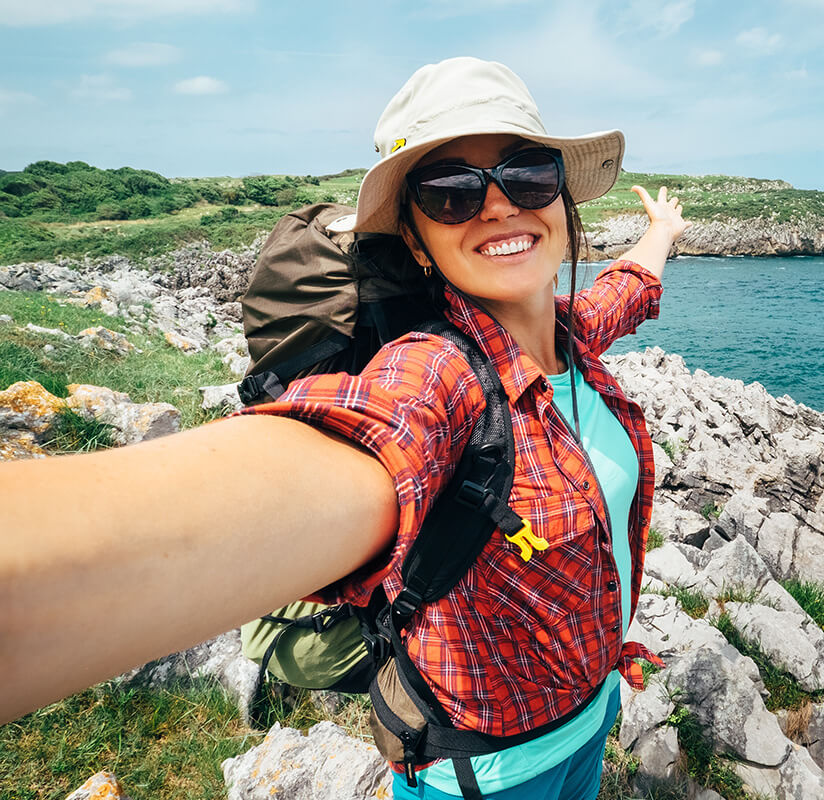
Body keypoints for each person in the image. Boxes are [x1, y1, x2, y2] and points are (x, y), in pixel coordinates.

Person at [0, 57, 688, 800]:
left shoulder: (569, 334)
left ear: (560, 202)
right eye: (450, 192)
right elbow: (353, 456)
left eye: (526, 175)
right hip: (483, 776)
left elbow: (626, 289)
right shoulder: (434, 377)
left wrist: (661, 234)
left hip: (591, 718)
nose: (498, 207)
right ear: (418, 241)